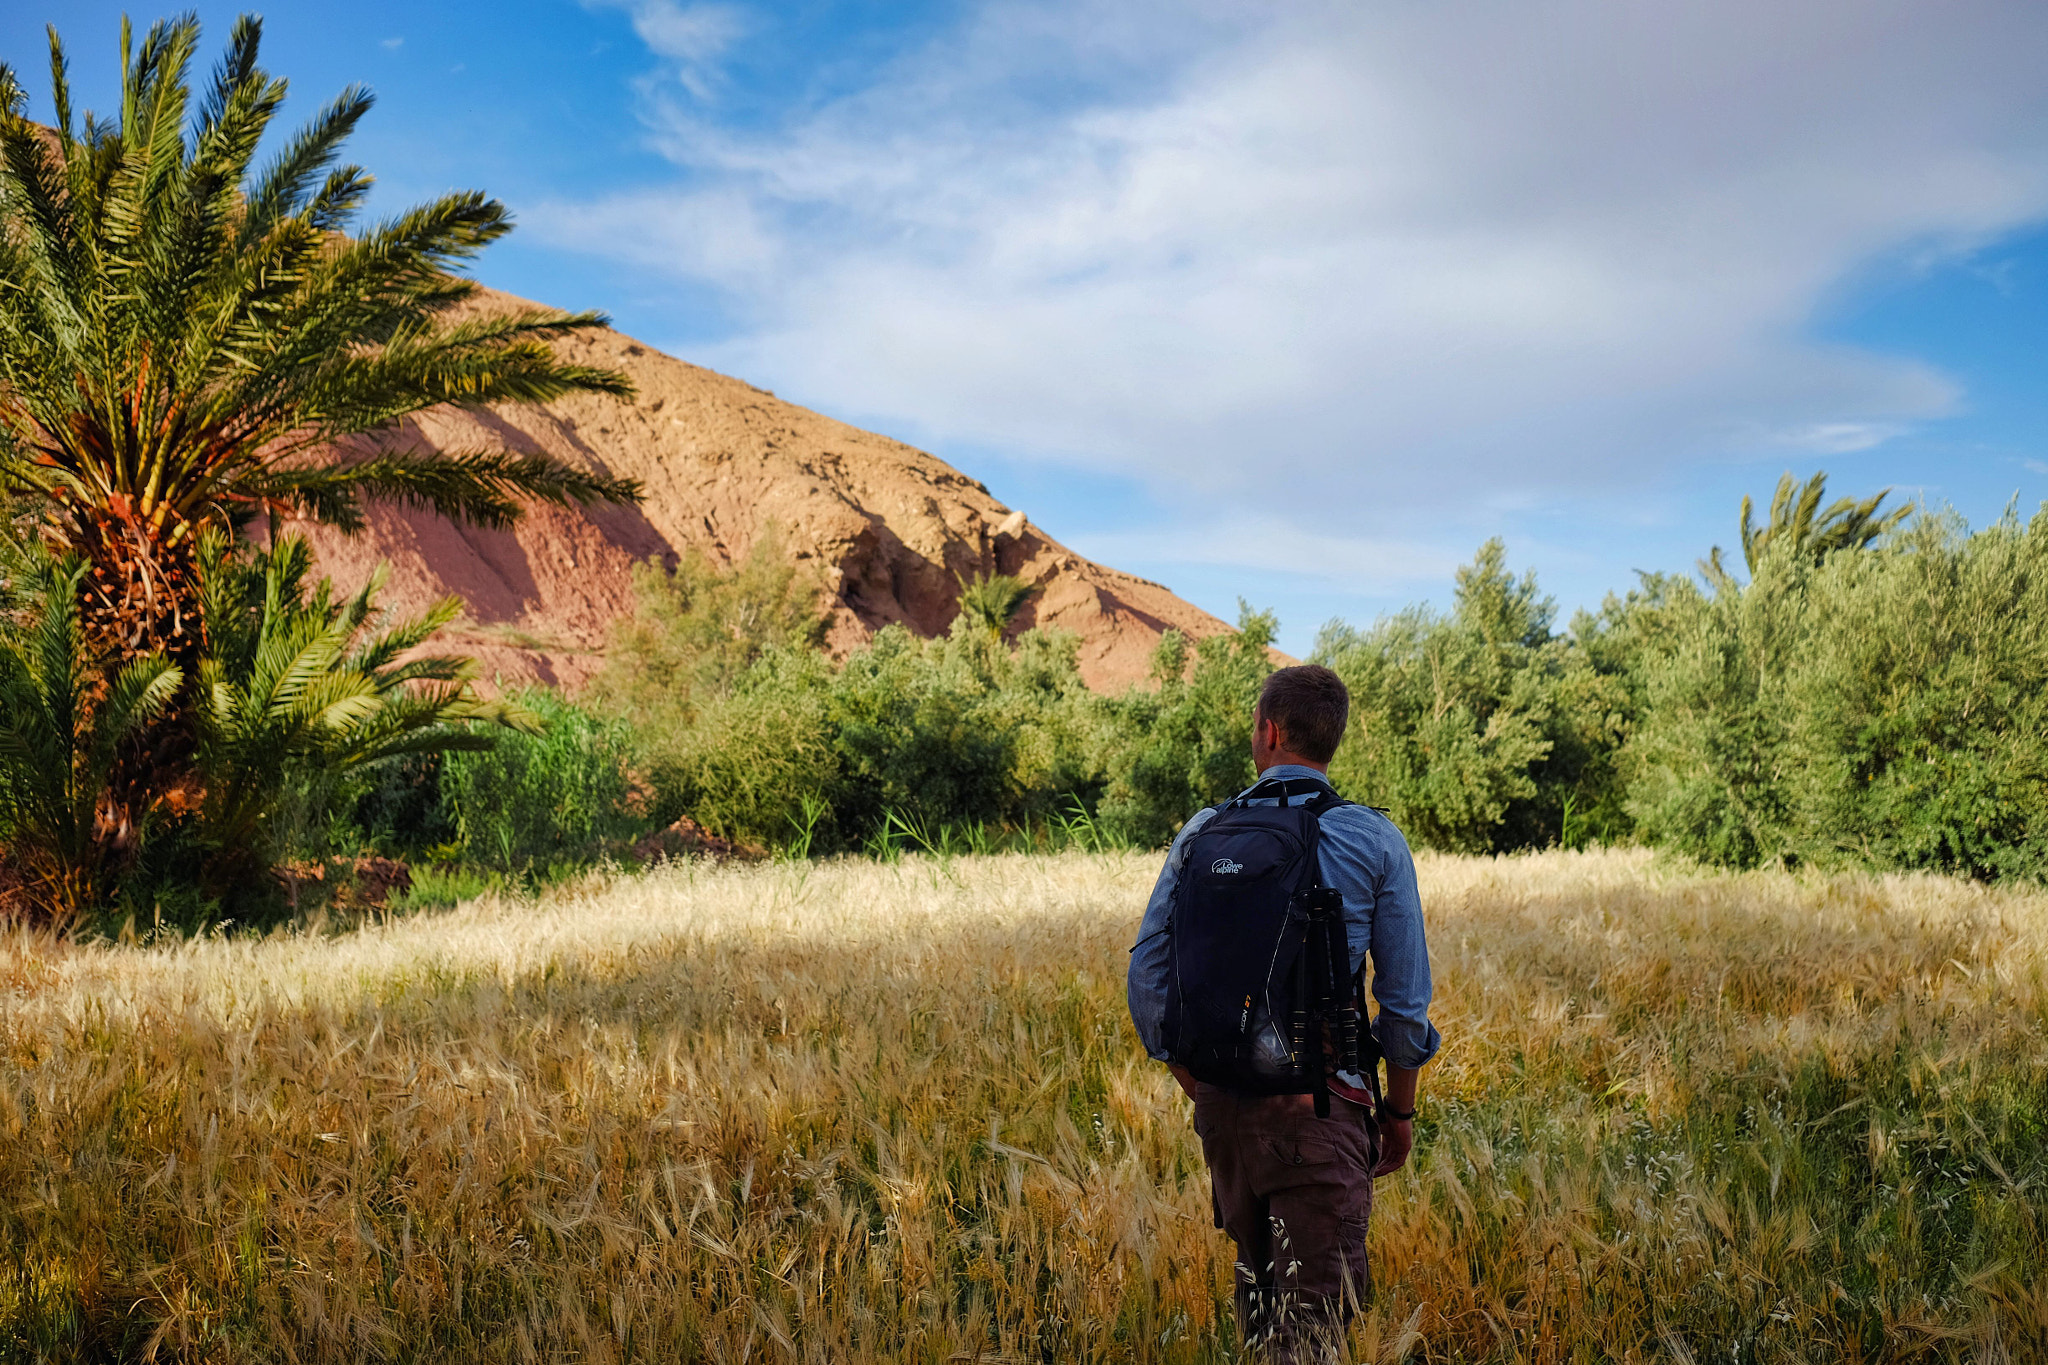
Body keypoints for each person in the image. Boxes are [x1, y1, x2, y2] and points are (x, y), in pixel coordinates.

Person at [1127, 664, 1440, 1362]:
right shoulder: (1373, 839)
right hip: (1323, 1117)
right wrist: (1398, 1113)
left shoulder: (1204, 832)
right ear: (1332, 741)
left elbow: (1147, 983)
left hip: (1227, 1125)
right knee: (1313, 1336)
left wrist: (1208, 1085)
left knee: (1261, 1320)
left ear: (1268, 730)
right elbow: (1404, 1006)